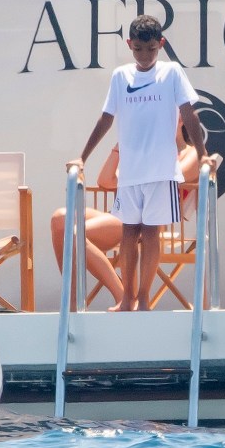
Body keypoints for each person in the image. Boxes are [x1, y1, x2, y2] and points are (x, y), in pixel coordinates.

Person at [67, 14, 213, 312]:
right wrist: (82, 157)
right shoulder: (121, 76)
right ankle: (127, 298)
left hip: (161, 171)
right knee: (128, 234)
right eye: (138, 50)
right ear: (129, 45)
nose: (145, 56)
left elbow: (189, 115)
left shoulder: (171, 72)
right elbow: (106, 119)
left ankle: (144, 298)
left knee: (150, 235)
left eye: (151, 49)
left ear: (161, 44)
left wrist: (203, 153)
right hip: (131, 172)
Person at [50, 120, 202, 311]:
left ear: (181, 119)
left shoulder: (193, 153)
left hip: (150, 221)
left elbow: (171, 175)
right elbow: (105, 180)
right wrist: (121, 146)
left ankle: (122, 296)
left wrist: (140, 159)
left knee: (74, 233)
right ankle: (71, 302)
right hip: (124, 213)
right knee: (59, 218)